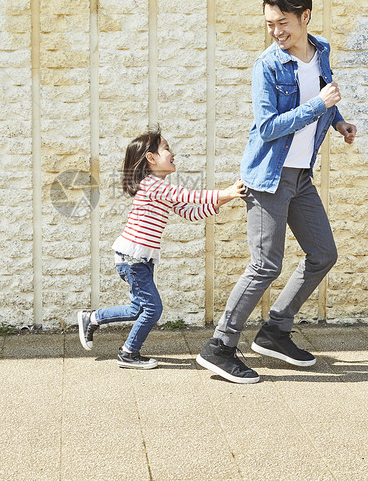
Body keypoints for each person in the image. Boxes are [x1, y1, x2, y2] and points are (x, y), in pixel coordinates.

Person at [196, 0, 357, 384]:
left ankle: (274, 331)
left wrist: (338, 122)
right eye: (269, 24)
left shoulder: (321, 53)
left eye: (283, 23)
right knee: (265, 264)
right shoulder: (267, 66)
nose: (276, 32)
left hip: (301, 175)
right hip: (269, 175)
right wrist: (319, 107)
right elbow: (268, 128)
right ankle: (219, 346)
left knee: (323, 254)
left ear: (305, 17)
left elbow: (321, 96)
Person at [77, 126, 246, 369]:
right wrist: (224, 191)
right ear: (151, 158)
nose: (172, 153)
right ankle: (128, 353)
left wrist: (227, 198)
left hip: (139, 259)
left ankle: (91, 318)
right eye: (166, 148)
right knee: (153, 309)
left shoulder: (162, 189)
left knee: (138, 308)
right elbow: (188, 195)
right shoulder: (151, 185)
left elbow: (191, 212)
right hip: (132, 258)